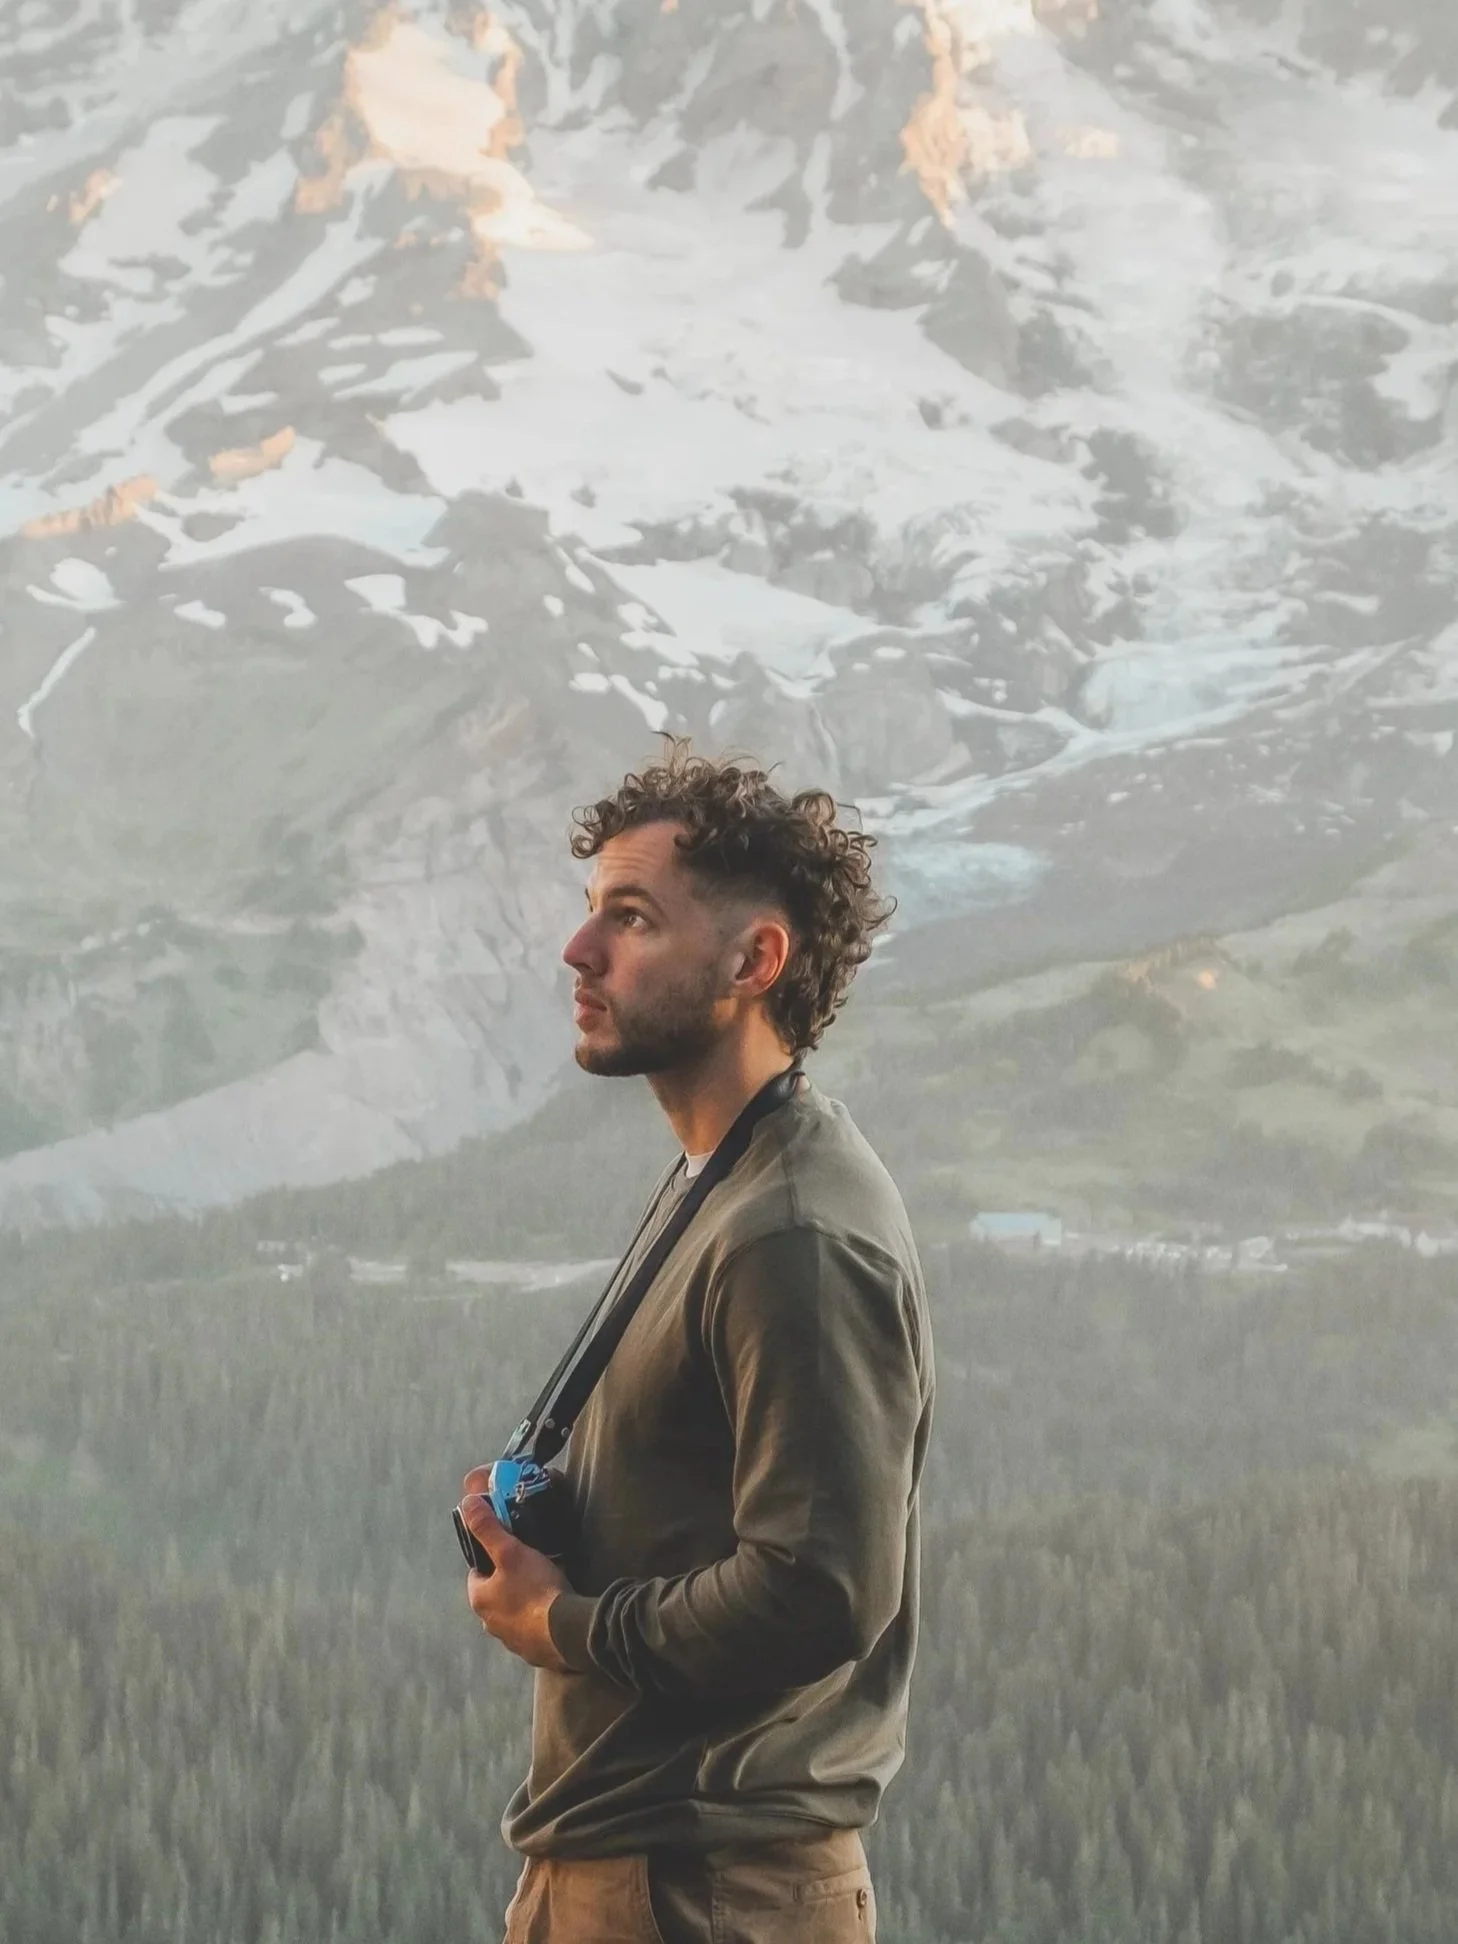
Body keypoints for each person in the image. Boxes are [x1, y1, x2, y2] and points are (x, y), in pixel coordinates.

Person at [458, 743, 934, 1944]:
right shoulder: (722, 1177)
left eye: (631, 919)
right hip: (644, 1873)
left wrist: (563, 1627)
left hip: (707, 1892)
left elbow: (817, 1592)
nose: (579, 952)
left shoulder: (793, 1231)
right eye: (590, 915)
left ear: (753, 959)